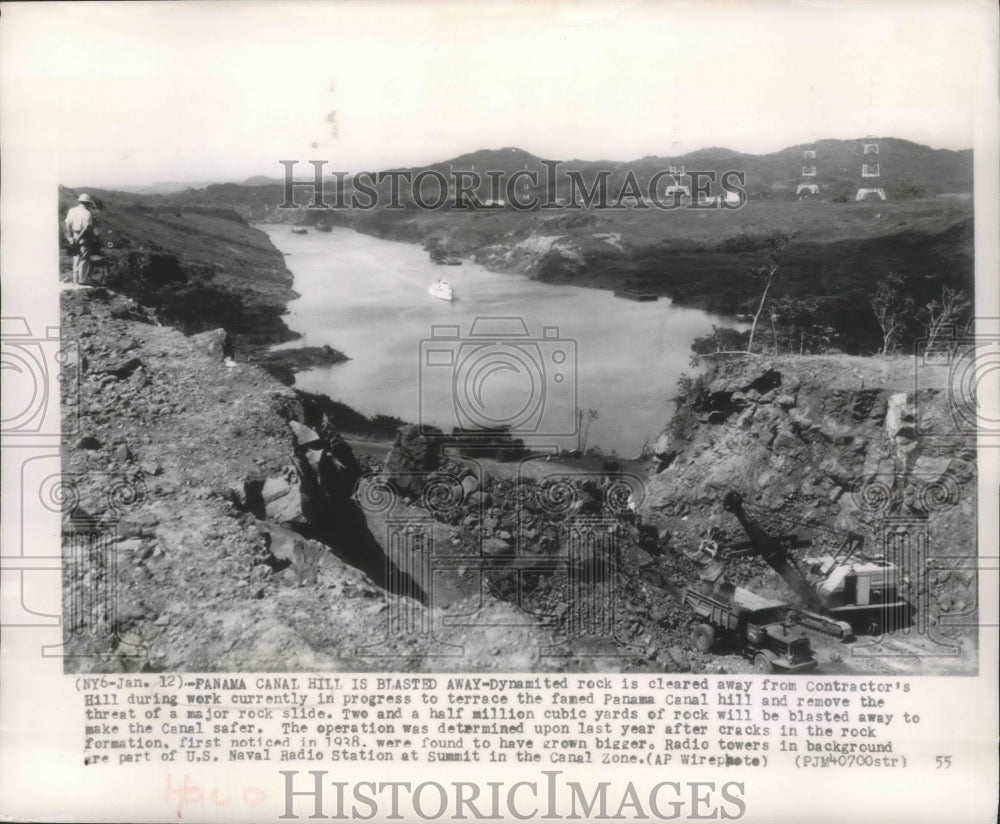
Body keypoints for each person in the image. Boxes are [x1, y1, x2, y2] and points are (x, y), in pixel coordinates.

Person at [63, 193, 97, 284]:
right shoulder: (88, 213)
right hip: (84, 238)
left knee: (76, 258)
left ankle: (75, 279)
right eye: (89, 203)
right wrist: (78, 240)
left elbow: (67, 225)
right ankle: (82, 280)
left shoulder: (71, 211)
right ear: (87, 203)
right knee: (84, 259)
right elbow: (86, 229)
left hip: (73, 236)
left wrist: (70, 238)